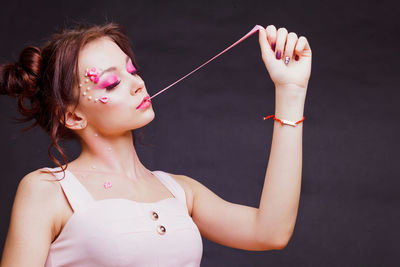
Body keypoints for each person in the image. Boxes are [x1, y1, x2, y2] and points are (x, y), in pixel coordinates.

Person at [0, 22, 311, 266]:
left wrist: (291, 92)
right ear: (73, 117)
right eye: (112, 82)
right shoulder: (47, 191)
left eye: (132, 69)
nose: (138, 83)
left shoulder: (180, 191)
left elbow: (271, 231)